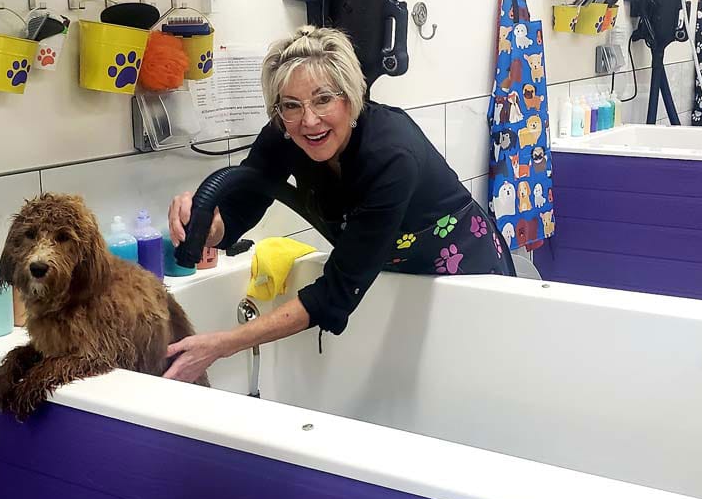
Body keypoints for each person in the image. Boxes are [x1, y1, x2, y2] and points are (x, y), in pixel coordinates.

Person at [164, 25, 512, 383]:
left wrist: (222, 345)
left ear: (349, 96)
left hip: (468, 269)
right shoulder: (284, 133)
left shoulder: (391, 155)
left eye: (323, 99)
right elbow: (242, 206)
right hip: (395, 280)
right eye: (291, 105)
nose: (309, 120)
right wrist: (207, 227)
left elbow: (334, 296)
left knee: (480, 380)